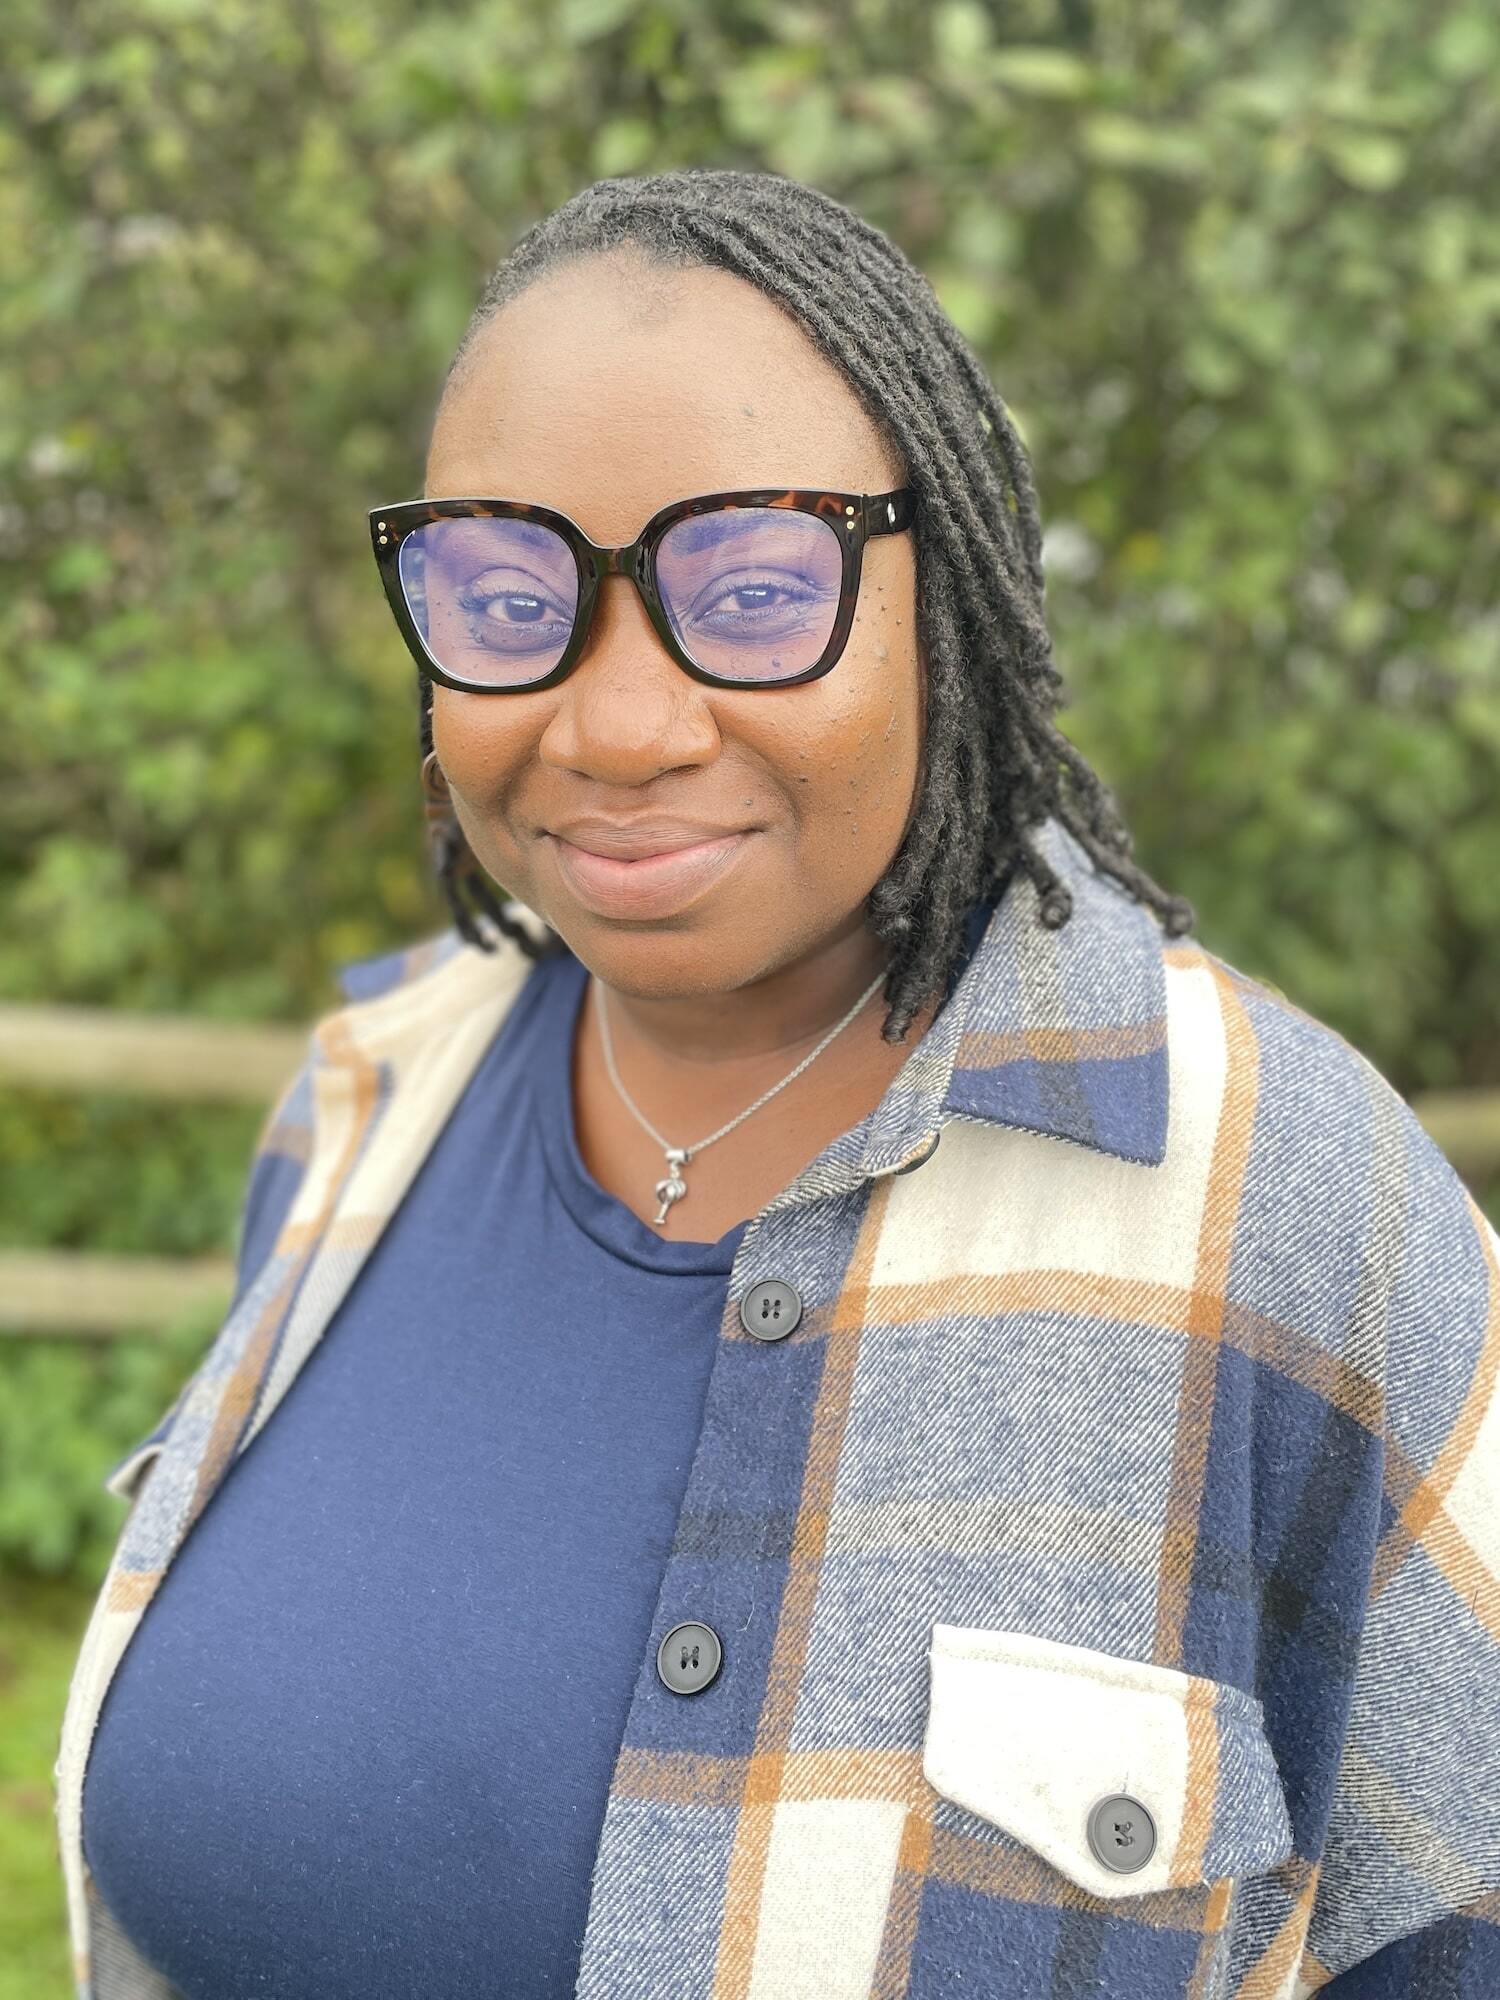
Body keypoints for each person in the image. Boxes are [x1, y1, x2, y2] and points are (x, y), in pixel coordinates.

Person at [55, 169, 1499, 2000]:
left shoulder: (1297, 1211)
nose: (619, 725)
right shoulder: (363, 1102)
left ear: (945, 607)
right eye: (505, 597)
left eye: (751, 590)